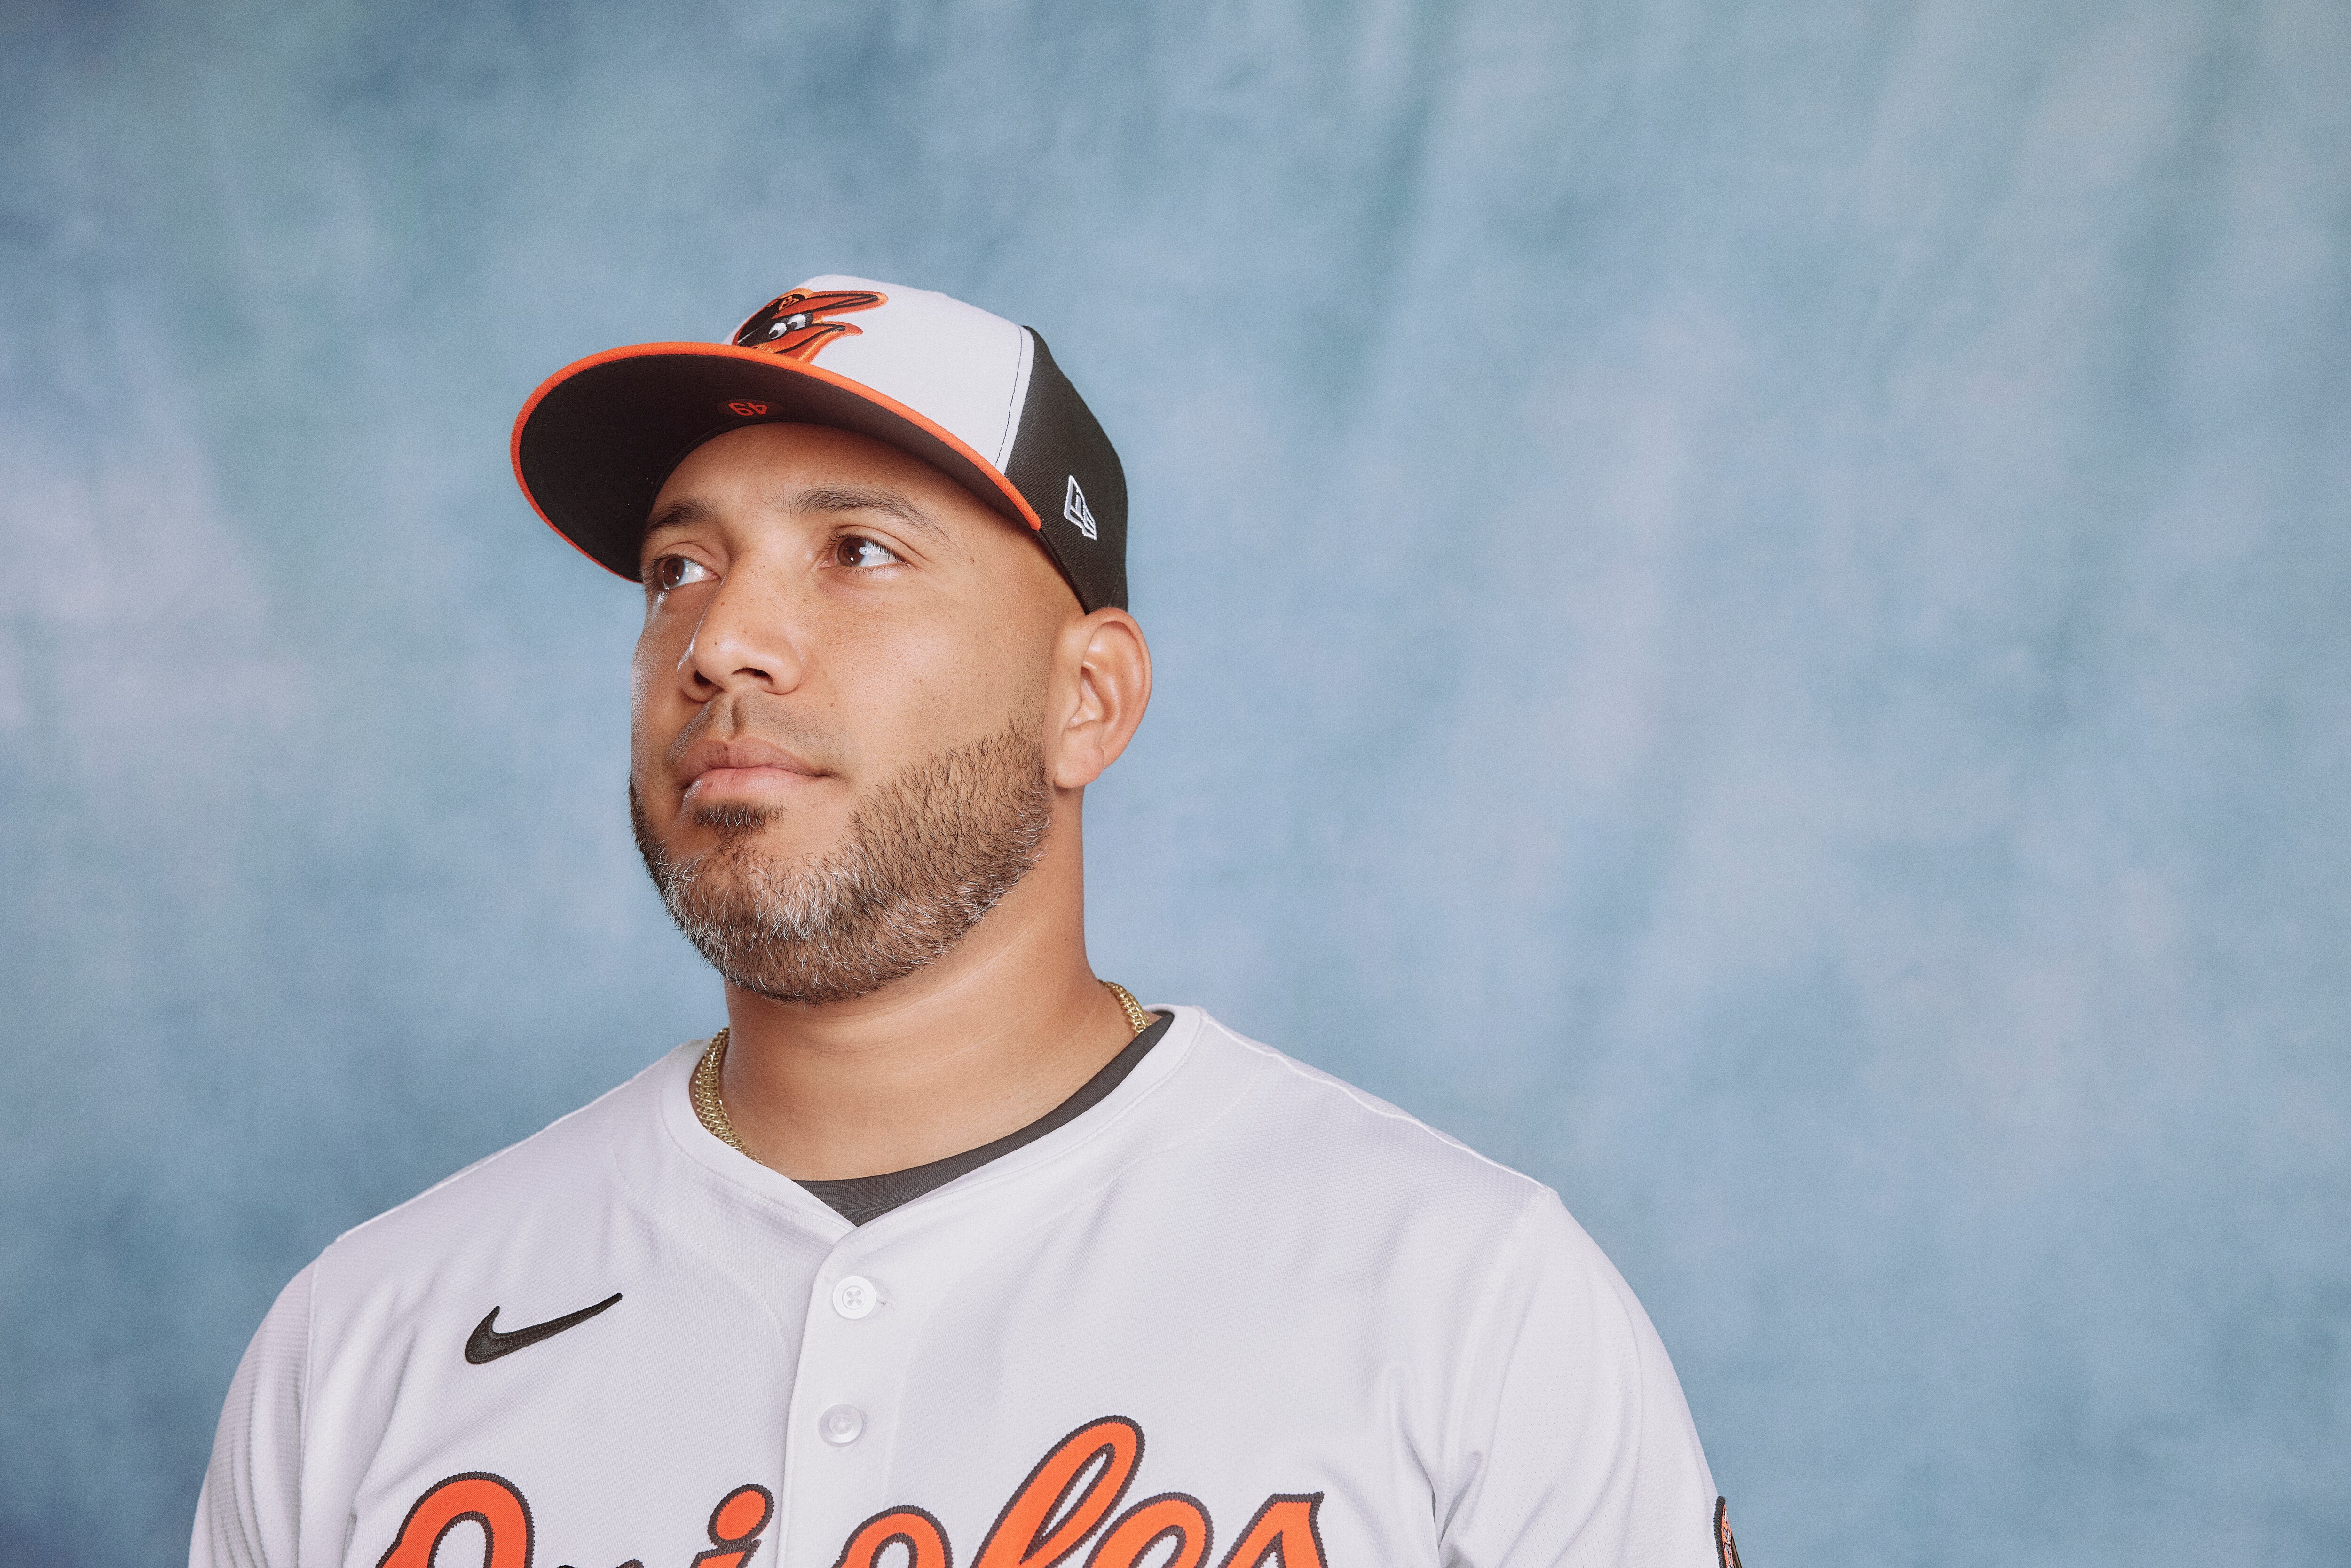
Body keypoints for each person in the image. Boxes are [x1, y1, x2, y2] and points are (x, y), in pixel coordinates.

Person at [192, 276, 1740, 1568]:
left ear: (1089, 700)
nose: (723, 639)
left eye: (859, 552)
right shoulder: (368, 1339)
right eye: (679, 567)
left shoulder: (1470, 1301)